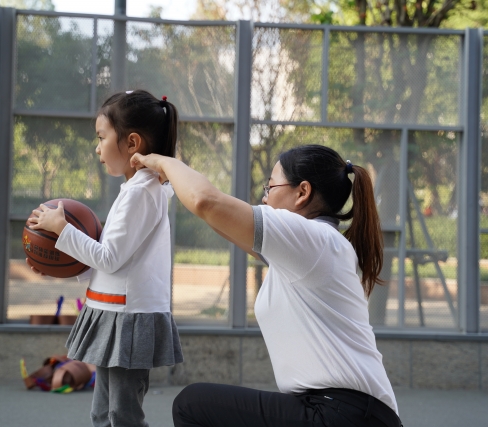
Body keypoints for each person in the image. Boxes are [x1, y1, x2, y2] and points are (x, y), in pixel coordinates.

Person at [131, 144, 402, 427]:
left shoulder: (313, 238)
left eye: (270, 186)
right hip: (343, 412)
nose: (264, 196)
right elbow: (219, 219)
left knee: (192, 404)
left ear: (302, 192)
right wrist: (170, 181)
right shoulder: (307, 246)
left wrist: (162, 161)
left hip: (343, 414)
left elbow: (206, 201)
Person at [27, 90, 183, 427]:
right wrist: (52, 257)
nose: (97, 147)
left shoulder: (142, 192)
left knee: (122, 415)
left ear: (132, 143)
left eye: (101, 137)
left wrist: (62, 229)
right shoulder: (136, 189)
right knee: (103, 413)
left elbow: (109, 258)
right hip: (114, 311)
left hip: (128, 316)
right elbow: (115, 263)